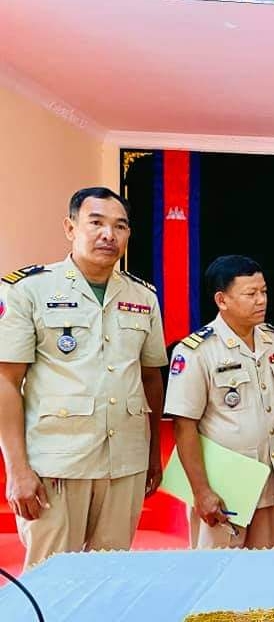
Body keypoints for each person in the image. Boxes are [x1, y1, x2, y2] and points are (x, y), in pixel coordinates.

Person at [0, 187, 167, 568]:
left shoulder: (143, 297)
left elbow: (151, 379)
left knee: (109, 577)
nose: (109, 234)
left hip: (124, 462)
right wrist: (17, 470)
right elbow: (6, 381)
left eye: (120, 226)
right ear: (70, 227)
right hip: (57, 463)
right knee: (52, 579)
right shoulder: (28, 290)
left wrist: (152, 453)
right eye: (96, 223)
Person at [164, 255, 274, 549]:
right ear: (222, 300)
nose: (261, 300)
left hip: (272, 481)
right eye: (250, 294)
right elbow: (184, 425)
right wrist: (201, 491)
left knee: (263, 570)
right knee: (217, 570)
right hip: (224, 489)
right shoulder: (197, 351)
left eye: (264, 291)